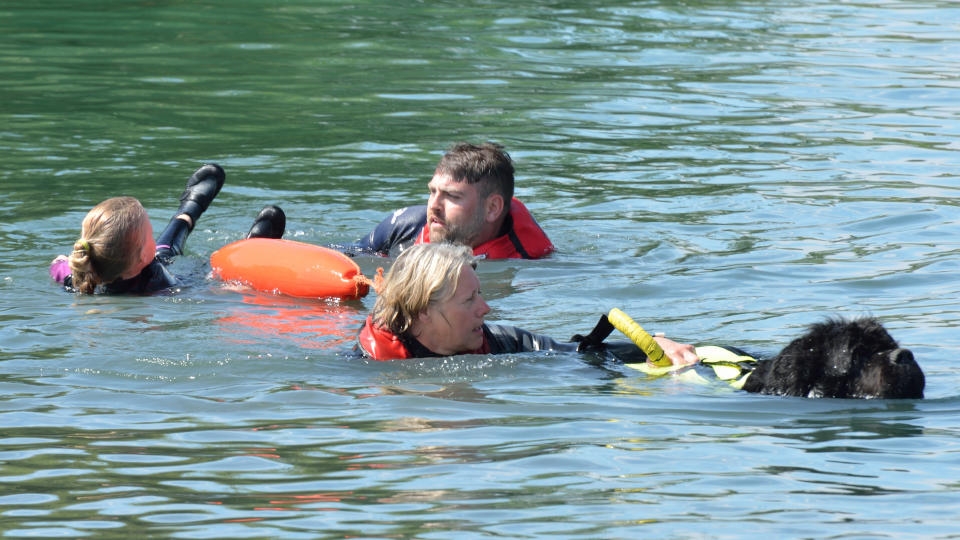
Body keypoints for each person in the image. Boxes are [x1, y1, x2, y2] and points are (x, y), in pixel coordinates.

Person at [355, 242, 699, 363]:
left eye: (481, 294)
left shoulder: (501, 341)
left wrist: (650, 346)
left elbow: (576, 356)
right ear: (423, 312)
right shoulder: (367, 368)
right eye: (470, 299)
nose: (486, 308)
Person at [249, 142, 554, 259]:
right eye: (432, 190)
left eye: (452, 196)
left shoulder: (529, 262)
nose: (433, 205)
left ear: (493, 208)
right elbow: (344, 256)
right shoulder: (407, 226)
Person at [49, 163, 225, 294]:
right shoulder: (159, 279)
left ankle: (188, 211)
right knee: (166, 251)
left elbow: (57, 266)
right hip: (169, 279)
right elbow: (195, 288)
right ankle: (189, 210)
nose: (153, 239)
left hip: (133, 267)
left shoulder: (82, 278)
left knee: (163, 252)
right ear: (142, 257)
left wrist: (61, 262)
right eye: (149, 236)